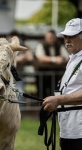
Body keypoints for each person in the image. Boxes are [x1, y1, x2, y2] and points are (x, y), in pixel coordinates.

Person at [43, 18, 82, 150]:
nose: (67, 40)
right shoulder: (74, 58)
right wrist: (64, 132)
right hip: (70, 130)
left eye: (71, 36)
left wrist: (59, 99)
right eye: (65, 36)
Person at [35, 29, 69, 97]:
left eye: (52, 38)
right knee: (42, 94)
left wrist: (62, 59)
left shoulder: (59, 45)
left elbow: (67, 57)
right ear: (45, 38)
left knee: (54, 92)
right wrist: (54, 59)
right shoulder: (41, 44)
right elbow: (40, 57)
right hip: (43, 74)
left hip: (56, 75)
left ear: (55, 38)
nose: (51, 39)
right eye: (49, 38)